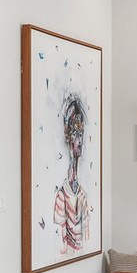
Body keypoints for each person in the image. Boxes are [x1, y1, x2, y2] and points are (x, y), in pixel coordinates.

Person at [51, 93, 89, 254]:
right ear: (68, 138)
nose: (79, 140)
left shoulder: (81, 194)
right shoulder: (62, 195)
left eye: (81, 133)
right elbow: (60, 244)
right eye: (75, 133)